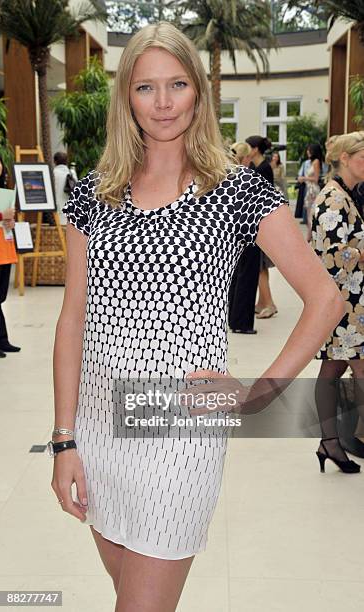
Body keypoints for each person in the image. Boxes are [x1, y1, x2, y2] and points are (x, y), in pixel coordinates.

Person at [50, 22, 345, 611]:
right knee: (129, 593)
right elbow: (72, 317)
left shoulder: (236, 191)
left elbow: (325, 298)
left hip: (181, 422)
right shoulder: (94, 192)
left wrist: (259, 393)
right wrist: (64, 441)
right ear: (126, 98)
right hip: (99, 423)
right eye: (145, 88)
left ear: (199, 94)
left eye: (177, 84)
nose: (162, 103)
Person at [311, 131, 364, 473]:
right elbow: (329, 255)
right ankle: (350, 437)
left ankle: (330, 441)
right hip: (343, 301)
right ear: (345, 158)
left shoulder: (345, 194)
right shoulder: (332, 199)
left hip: (350, 300)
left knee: (332, 370)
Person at [247, 135, 281, 320]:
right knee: (259, 266)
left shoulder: (264, 168)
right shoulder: (254, 166)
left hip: (260, 220)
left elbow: (265, 196)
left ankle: (269, 303)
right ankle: (262, 301)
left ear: (255, 149)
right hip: (253, 219)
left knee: (259, 266)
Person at [0, 154, 20, 357]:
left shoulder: (4, 191)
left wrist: (9, 222)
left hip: (4, 250)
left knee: (0, 297)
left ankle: (3, 340)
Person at [299, 143, 323, 242]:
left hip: (313, 190)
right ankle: (309, 238)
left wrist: (304, 178)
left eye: (310, 150)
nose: (308, 152)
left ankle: (310, 238)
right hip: (310, 189)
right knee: (310, 215)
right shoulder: (313, 162)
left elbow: (316, 178)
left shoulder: (316, 162)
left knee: (311, 215)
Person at [53, 152, 78, 224]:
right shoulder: (71, 172)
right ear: (66, 161)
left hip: (56, 209)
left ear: (55, 161)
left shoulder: (53, 173)